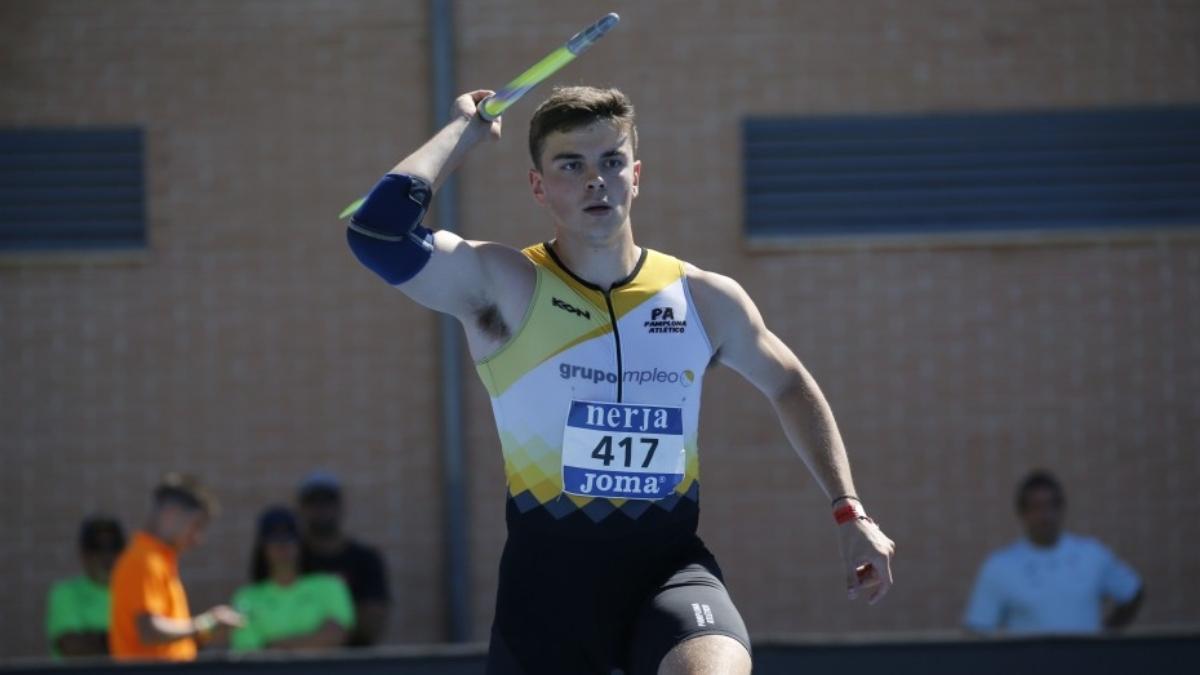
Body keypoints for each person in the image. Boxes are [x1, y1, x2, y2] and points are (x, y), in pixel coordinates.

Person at [343, 86, 896, 675]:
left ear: (636, 174)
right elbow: (376, 233)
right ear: (538, 186)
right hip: (545, 601)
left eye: (610, 161)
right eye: (570, 165)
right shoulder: (503, 285)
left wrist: (849, 511)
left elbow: (789, 385)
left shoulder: (703, 298)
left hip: (669, 575)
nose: (594, 180)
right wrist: (463, 133)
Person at [964, 470, 1144, 635]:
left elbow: (1132, 592)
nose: (1045, 515)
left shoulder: (1092, 554)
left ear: (1061, 509)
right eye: (1036, 507)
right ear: (1022, 513)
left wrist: (1107, 635)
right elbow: (978, 628)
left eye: (1051, 505)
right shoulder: (1000, 566)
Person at [108, 473, 244, 661]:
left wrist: (205, 630)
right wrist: (207, 623)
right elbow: (148, 631)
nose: (198, 539)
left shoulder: (157, 560)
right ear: (171, 513)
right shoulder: (144, 560)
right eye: (196, 525)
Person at [230, 506, 355, 652]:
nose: (282, 546)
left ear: (300, 544)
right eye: (274, 540)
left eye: (289, 539)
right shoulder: (246, 598)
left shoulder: (330, 586)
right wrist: (309, 641)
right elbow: (248, 653)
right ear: (262, 547)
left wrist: (275, 646)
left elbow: (335, 635)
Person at [296, 471, 390, 647]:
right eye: (313, 502)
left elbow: (371, 626)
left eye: (327, 501)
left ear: (340, 506)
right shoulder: (291, 559)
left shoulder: (365, 559)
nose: (321, 509)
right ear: (301, 508)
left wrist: (327, 632)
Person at [45, 515, 126, 658]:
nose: (106, 557)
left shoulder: (135, 593)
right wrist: (128, 640)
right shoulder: (65, 593)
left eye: (114, 548)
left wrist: (96, 638)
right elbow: (72, 647)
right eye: (97, 548)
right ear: (84, 555)